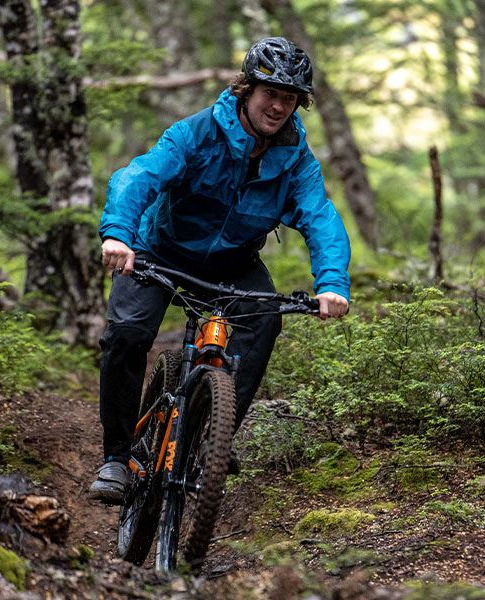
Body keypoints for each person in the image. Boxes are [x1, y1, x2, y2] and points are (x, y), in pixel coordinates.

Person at [89, 37, 351, 503]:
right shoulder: (196, 133)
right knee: (128, 333)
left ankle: (213, 432)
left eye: (289, 99)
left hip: (233, 262)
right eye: (270, 93)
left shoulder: (296, 160)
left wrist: (331, 281)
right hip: (157, 249)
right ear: (246, 90)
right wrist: (118, 234)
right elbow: (140, 176)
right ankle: (115, 457)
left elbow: (320, 217)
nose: (278, 106)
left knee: (262, 322)